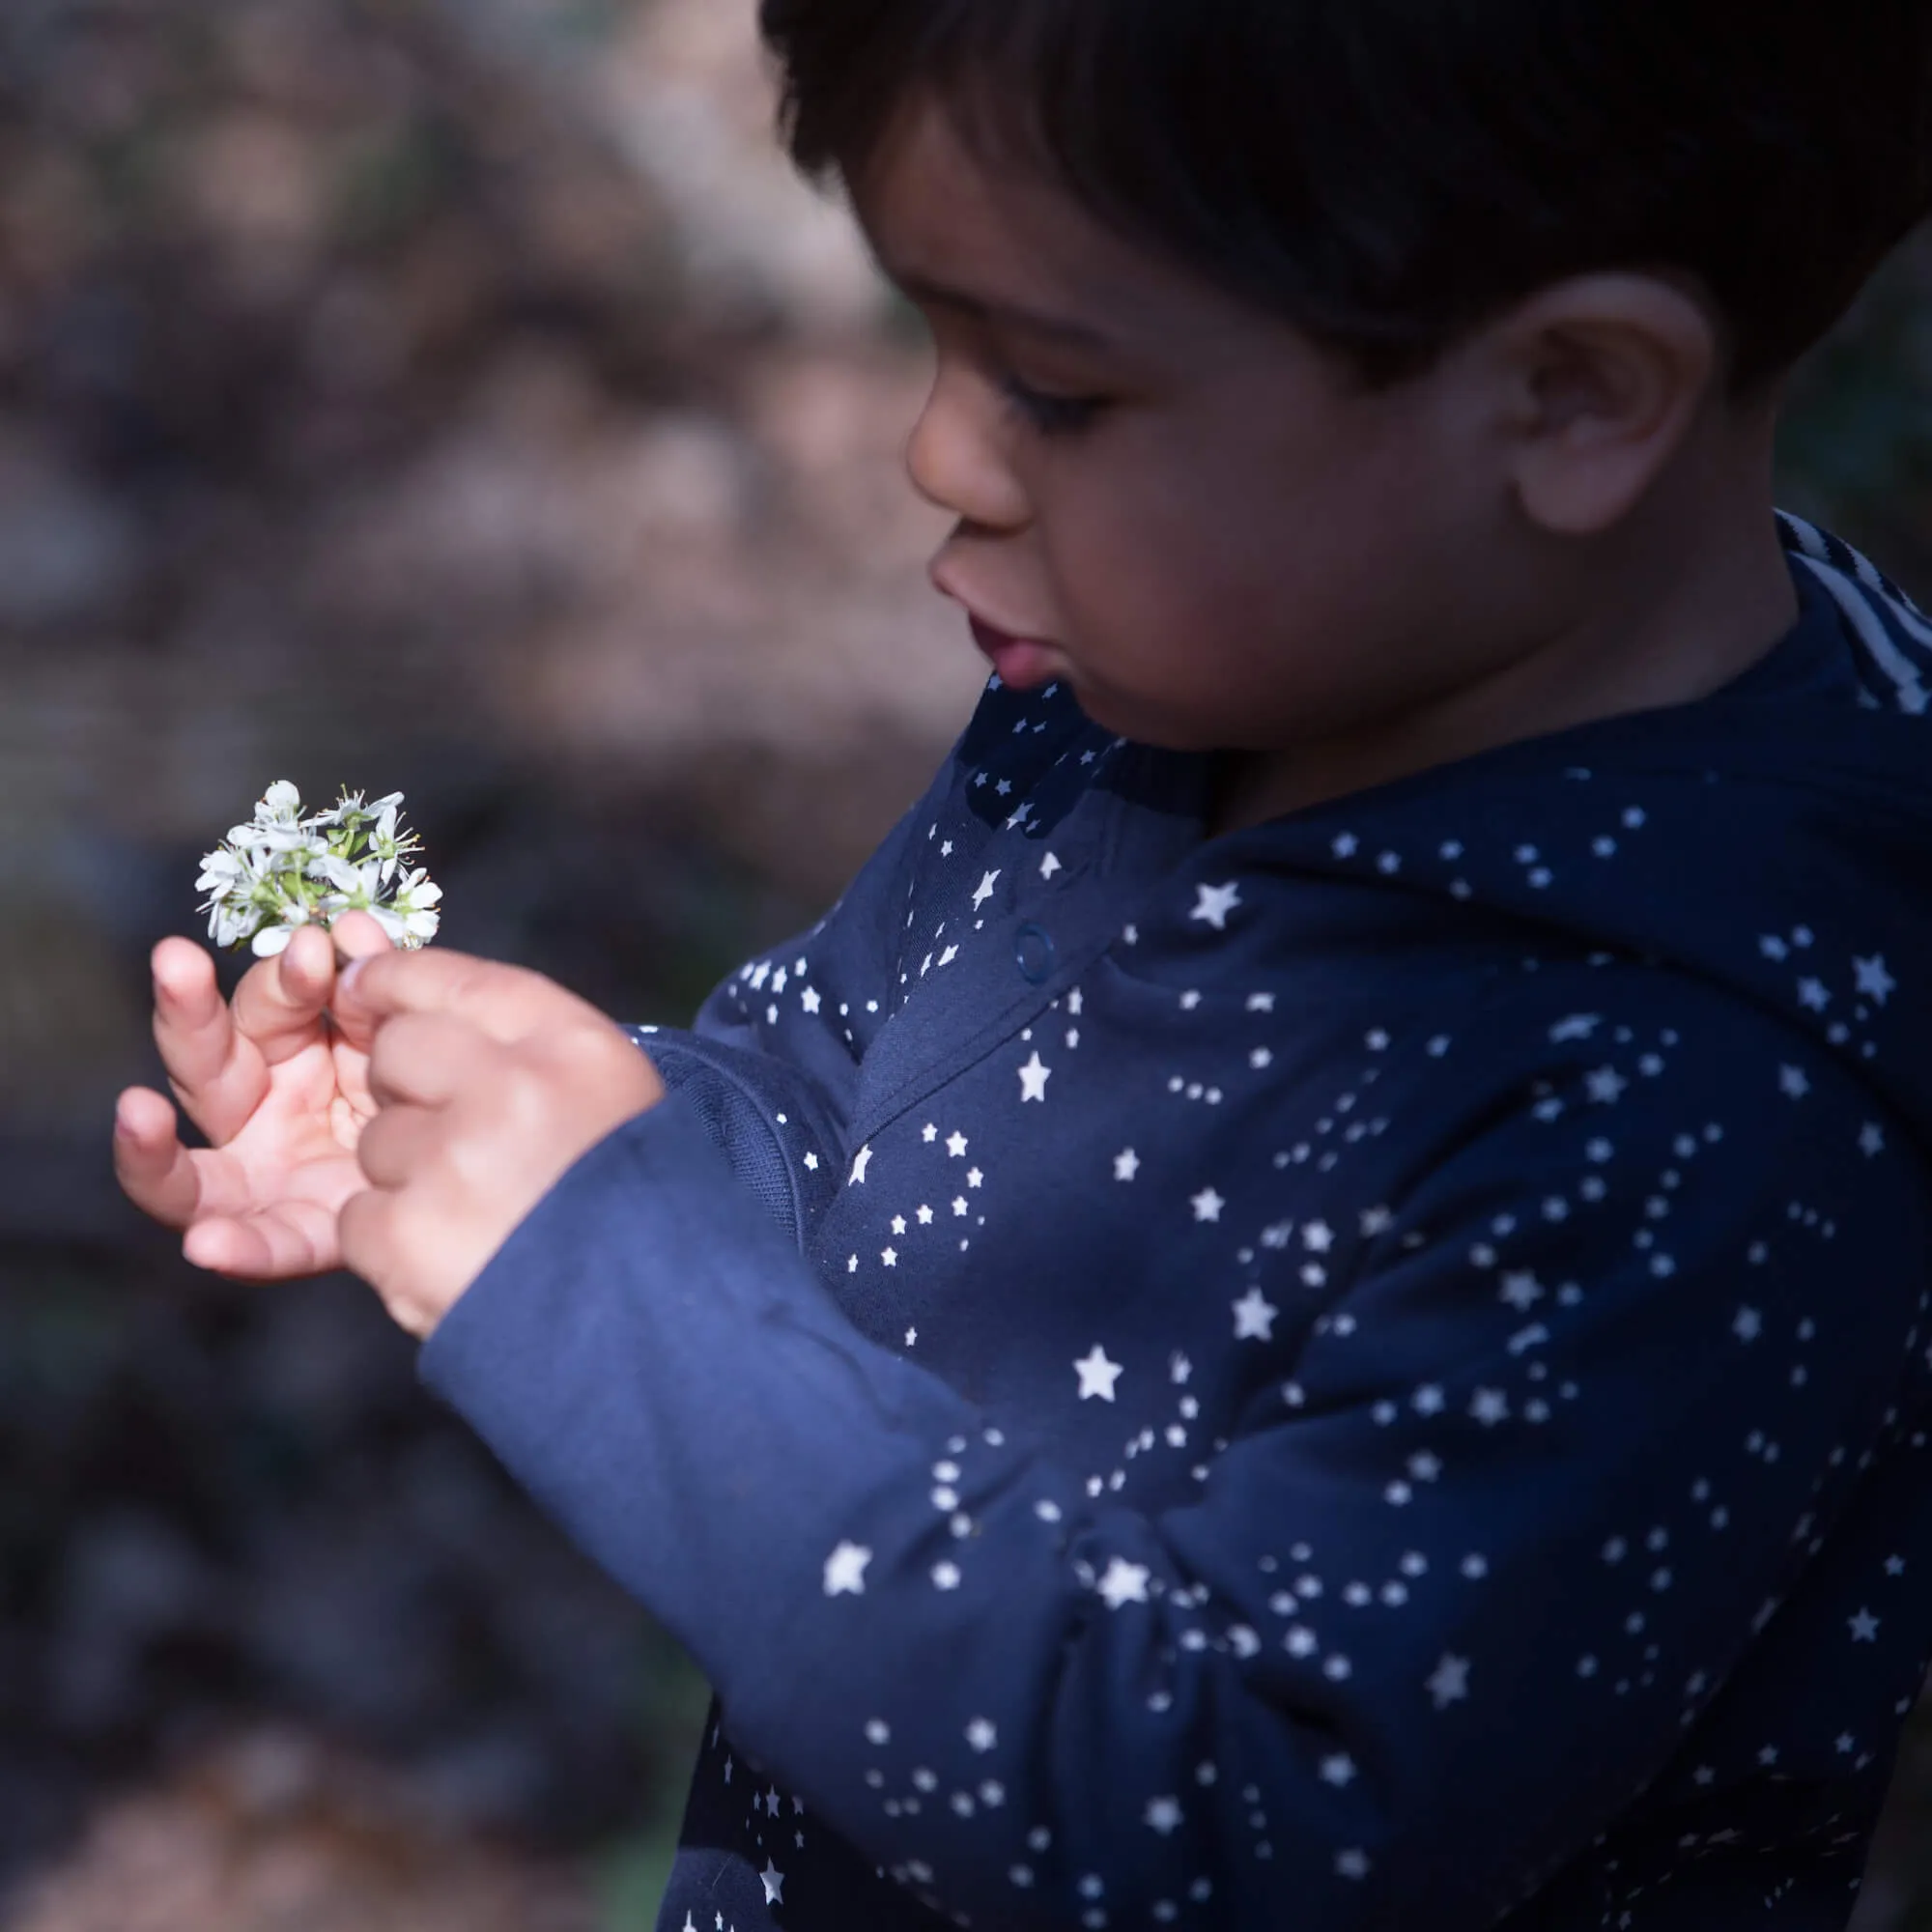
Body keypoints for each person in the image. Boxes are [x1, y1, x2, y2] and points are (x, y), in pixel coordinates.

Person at [113, 2, 1932, 1924]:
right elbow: (852, 1101)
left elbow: (1233, 1819)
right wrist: (538, 1134)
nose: (938, 453)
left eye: (1055, 388)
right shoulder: (1157, 705)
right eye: (936, 336)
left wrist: (601, 1275)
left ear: (1568, 396)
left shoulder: (1712, 1085)